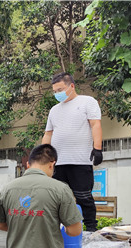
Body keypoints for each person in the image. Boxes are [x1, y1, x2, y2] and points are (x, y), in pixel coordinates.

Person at [41, 72, 103, 232]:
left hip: (80, 161)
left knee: (84, 197)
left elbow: (95, 125)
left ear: (72, 86)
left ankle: (90, 229)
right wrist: (42, 157)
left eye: (60, 90)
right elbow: (48, 134)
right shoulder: (54, 110)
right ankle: (55, 230)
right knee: (56, 198)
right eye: (55, 91)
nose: (57, 94)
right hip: (58, 163)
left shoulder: (87, 102)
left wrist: (97, 148)